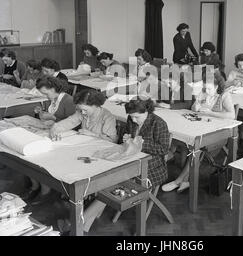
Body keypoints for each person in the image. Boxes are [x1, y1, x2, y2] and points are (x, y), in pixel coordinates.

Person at [59, 98, 170, 234]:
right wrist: (126, 138)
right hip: (129, 158)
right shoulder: (131, 119)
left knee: (112, 183)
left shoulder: (158, 123)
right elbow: (126, 138)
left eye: (137, 117)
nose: (133, 120)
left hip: (153, 166)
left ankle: (78, 223)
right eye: (131, 116)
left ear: (147, 111)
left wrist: (140, 143)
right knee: (106, 177)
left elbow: (164, 149)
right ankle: (84, 224)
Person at [162, 71, 235, 193]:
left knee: (198, 147)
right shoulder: (203, 92)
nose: (207, 90)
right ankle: (185, 181)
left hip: (218, 135)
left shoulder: (224, 95)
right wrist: (195, 107)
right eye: (205, 87)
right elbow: (193, 108)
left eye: (209, 88)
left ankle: (179, 180)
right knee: (188, 140)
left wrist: (210, 113)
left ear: (217, 86)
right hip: (201, 127)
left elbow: (232, 115)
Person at [22, 77, 77, 204]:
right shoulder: (52, 99)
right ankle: (35, 185)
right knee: (28, 153)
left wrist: (52, 117)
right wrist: (40, 112)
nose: (45, 96)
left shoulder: (68, 100)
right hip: (52, 132)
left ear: (53, 89)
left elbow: (74, 123)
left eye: (46, 93)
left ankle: (45, 190)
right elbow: (51, 116)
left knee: (39, 157)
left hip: (67, 137)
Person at [50, 89, 118, 143]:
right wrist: (56, 127)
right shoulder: (82, 113)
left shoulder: (107, 118)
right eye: (80, 109)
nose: (82, 112)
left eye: (85, 110)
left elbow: (113, 141)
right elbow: (70, 122)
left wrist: (93, 135)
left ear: (95, 106)